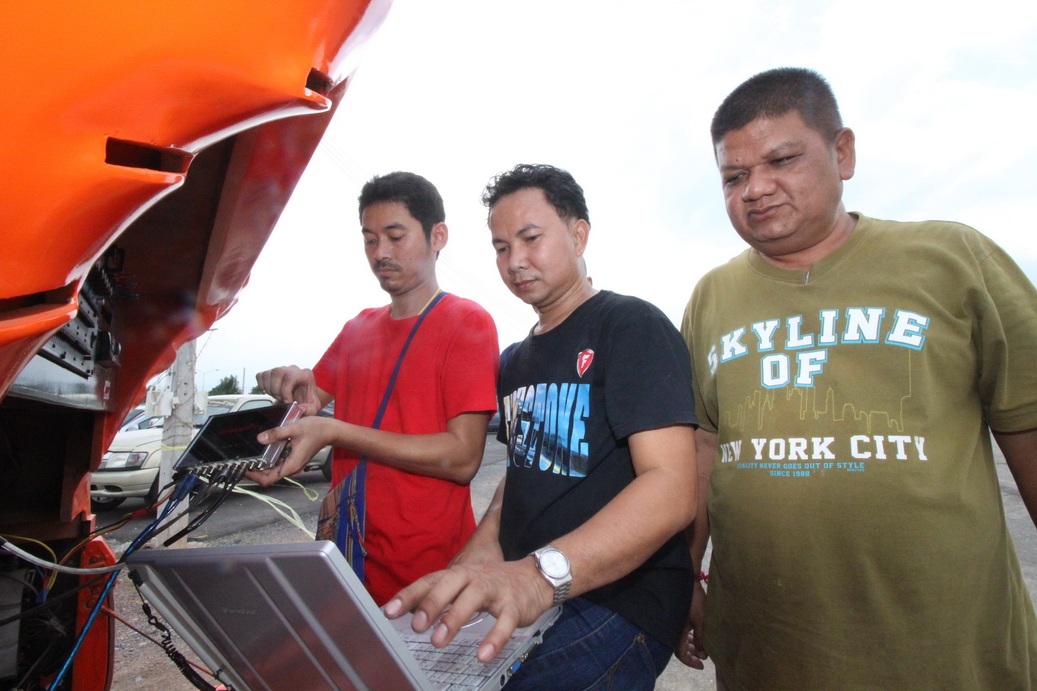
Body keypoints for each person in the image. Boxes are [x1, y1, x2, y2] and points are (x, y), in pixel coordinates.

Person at [680, 67, 1037, 689]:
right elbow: (701, 451)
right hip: (767, 652)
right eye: (734, 177)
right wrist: (681, 577)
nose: (756, 189)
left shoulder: (953, 259)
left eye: (782, 160)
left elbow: (1027, 421)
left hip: (948, 652)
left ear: (842, 153)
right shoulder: (712, 296)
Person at [385, 164, 698, 690]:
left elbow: (672, 487)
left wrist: (539, 576)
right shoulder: (514, 361)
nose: (515, 261)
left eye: (531, 238)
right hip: (531, 588)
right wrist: (482, 550)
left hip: (619, 596)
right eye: (501, 247)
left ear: (579, 234)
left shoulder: (631, 326)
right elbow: (523, 469)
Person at [251, 171, 500, 606]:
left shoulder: (467, 322)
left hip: (430, 575)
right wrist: (287, 386)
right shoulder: (357, 328)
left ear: (437, 236)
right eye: (369, 239)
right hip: (347, 561)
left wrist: (336, 432)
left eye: (395, 237)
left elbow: (463, 459)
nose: (380, 253)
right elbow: (310, 401)